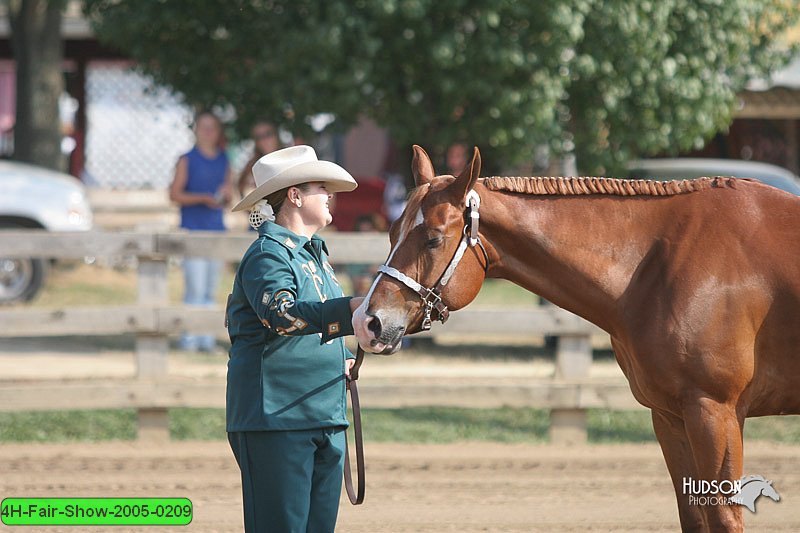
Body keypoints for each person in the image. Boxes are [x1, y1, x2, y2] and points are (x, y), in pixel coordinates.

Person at [226, 145, 361, 532]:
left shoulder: (315, 257)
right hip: (276, 420)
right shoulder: (267, 255)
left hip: (323, 415)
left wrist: (343, 357)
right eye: (321, 186)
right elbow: (282, 315)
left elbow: (316, 327)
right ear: (295, 195)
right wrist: (351, 310)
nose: (329, 194)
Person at [169, 110, 233, 352]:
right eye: (203, 127)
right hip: (193, 230)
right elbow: (175, 194)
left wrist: (224, 196)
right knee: (194, 286)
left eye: (212, 127)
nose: (207, 132)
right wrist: (202, 198)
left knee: (210, 287)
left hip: (216, 231)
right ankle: (189, 338)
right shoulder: (187, 159)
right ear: (196, 130)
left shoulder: (224, 159)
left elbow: (228, 195)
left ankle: (205, 339)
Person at [237, 120, 281, 198]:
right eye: (258, 137)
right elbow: (242, 190)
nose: (263, 140)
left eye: (268, 134)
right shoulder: (252, 166)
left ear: (276, 136)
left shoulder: (289, 159)